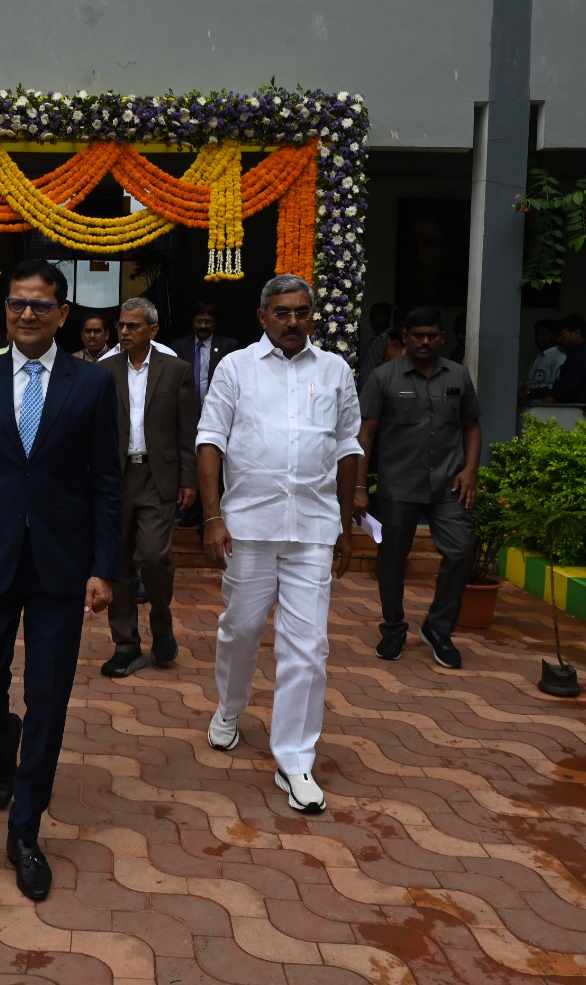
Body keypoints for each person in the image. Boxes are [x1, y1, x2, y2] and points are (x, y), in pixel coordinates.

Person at [0, 258, 120, 903]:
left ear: (62, 314)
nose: (27, 314)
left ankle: (25, 831)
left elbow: (106, 484)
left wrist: (103, 566)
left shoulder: (92, 385)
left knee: (49, 699)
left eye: (40, 305)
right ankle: (1, 735)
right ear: (5, 310)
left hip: (61, 565)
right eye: (17, 303)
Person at [197, 274, 361, 815]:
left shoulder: (335, 370)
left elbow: (348, 445)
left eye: (302, 312)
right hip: (249, 526)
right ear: (263, 317)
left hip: (313, 528)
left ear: (313, 316)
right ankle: (230, 707)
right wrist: (213, 517)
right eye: (283, 312)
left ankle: (295, 759)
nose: (293, 321)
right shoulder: (235, 367)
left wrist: (345, 523)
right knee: (240, 629)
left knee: (308, 647)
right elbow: (210, 440)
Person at [354, 306, 480, 670]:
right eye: (418, 335)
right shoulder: (383, 377)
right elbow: (366, 434)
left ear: (442, 337)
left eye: (432, 336)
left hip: (448, 485)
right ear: (405, 336)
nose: (425, 342)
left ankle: (438, 628)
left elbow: (471, 426)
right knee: (392, 559)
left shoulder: (458, 374)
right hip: (398, 486)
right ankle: (393, 627)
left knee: (461, 550)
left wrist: (470, 470)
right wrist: (360, 487)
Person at [101, 298, 196, 677]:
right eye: (121, 325)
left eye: (132, 326)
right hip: (116, 477)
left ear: (153, 330)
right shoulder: (104, 371)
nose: (124, 332)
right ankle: (126, 645)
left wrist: (188, 479)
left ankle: (161, 619)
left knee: (155, 556)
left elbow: (187, 429)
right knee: (117, 561)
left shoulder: (176, 370)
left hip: (159, 476)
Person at [169, 302, 239, 410]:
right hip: (186, 408)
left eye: (208, 322)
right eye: (198, 321)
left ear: (215, 323)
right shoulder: (179, 346)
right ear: (192, 322)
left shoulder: (228, 346)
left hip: (218, 407)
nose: (202, 326)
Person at [545, 315, 586, 403]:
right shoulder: (576, 353)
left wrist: (546, 403)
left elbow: (565, 387)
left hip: (581, 408)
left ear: (576, 333)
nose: (559, 340)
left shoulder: (582, 356)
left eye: (562, 335)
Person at [521, 319, 565, 402]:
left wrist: (526, 392)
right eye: (536, 334)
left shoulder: (559, 358)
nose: (539, 338)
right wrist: (523, 391)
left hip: (546, 408)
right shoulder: (539, 357)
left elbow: (554, 388)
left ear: (555, 336)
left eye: (544, 334)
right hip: (532, 406)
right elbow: (532, 385)